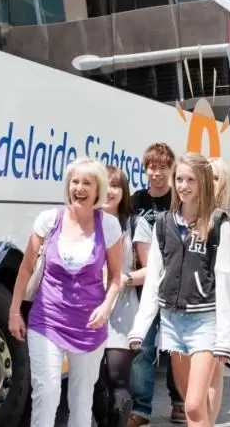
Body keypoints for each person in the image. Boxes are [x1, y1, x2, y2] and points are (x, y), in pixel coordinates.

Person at [7, 157, 125, 427]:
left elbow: (117, 275)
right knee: (46, 394)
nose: (79, 188)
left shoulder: (108, 226)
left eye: (87, 183)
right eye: (75, 181)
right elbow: (25, 269)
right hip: (46, 322)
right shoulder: (49, 221)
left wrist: (106, 306)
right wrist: (14, 311)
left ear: (98, 190)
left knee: (82, 402)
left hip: (89, 327)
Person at [128, 152, 230, 427]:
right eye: (179, 179)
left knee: (193, 405)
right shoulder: (163, 223)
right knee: (192, 407)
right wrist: (140, 327)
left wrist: (225, 339)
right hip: (171, 323)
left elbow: (225, 281)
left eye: (190, 179)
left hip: (204, 322)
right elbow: (154, 277)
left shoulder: (218, 223)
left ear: (202, 182)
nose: (183, 185)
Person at [128, 142, 185, 426]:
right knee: (142, 348)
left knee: (176, 348)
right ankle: (141, 408)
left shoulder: (179, 201)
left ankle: (179, 402)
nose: (157, 173)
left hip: (176, 287)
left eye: (162, 167)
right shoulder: (135, 201)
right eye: (152, 167)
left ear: (171, 169)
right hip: (144, 287)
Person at [93, 165, 151, 427]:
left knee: (117, 378)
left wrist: (123, 280)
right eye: (105, 185)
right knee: (95, 380)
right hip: (90, 310)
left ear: (123, 190)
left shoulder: (136, 224)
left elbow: (151, 271)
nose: (110, 191)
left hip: (123, 309)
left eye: (115, 185)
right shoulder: (87, 221)